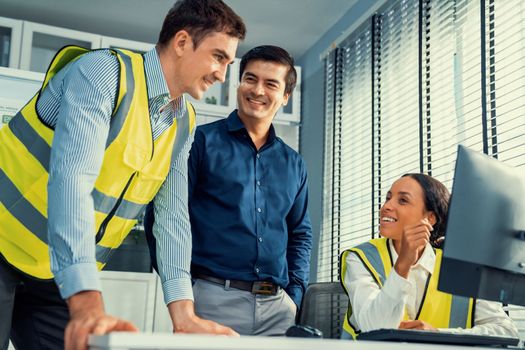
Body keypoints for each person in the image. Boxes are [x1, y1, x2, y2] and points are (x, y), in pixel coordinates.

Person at [0, 0, 246, 349]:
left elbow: (172, 217)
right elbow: (72, 180)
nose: (223, 74)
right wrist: (86, 302)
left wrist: (184, 314)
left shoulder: (183, 122)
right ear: (181, 42)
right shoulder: (104, 73)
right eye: (218, 57)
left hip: (51, 270)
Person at [146, 45, 313, 335]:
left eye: (271, 83)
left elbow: (300, 233)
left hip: (278, 309)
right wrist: (187, 290)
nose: (257, 90)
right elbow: (163, 216)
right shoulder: (198, 142)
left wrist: (294, 296)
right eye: (250, 78)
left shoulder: (294, 163)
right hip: (211, 300)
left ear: (285, 96)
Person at [340, 173, 519, 339]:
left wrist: (437, 334)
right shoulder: (361, 258)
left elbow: (506, 331)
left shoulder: (461, 268)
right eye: (388, 198)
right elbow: (375, 328)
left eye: (402, 200)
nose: (386, 206)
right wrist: (403, 264)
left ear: (430, 218)